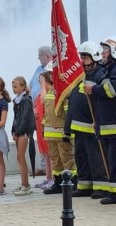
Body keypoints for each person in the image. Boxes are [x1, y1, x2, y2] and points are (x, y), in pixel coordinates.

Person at [84, 36, 116, 204]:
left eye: (105, 50)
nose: (102, 53)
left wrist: (94, 88)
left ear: (115, 51)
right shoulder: (109, 70)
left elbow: (112, 90)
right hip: (110, 126)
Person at [67, 41, 108, 199]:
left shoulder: (100, 74)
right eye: (81, 57)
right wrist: (67, 126)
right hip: (78, 125)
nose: (82, 61)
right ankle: (84, 185)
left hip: (91, 125)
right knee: (81, 157)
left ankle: (101, 186)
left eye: (85, 57)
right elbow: (73, 102)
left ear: (95, 57)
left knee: (95, 157)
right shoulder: (80, 76)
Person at [40, 67, 76, 195]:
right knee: (55, 159)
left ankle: (73, 182)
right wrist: (44, 127)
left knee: (67, 158)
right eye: (49, 73)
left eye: (52, 72)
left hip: (61, 133)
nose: (50, 75)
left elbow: (67, 113)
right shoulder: (51, 91)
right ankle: (58, 183)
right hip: (51, 133)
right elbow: (47, 113)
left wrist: (68, 131)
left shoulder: (63, 91)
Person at [29, 46, 53, 178]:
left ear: (48, 56)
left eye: (40, 55)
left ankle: (51, 174)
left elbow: (45, 99)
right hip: (36, 108)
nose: (38, 58)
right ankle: (45, 170)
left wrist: (43, 87)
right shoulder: (38, 69)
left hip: (46, 111)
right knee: (42, 143)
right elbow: (31, 85)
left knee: (48, 145)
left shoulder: (51, 69)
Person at [11, 76, 36, 196]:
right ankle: (24, 183)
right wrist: (12, 130)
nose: (13, 89)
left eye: (16, 86)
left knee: (21, 156)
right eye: (13, 86)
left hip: (24, 131)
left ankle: (26, 185)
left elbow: (26, 118)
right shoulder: (16, 100)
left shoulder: (26, 100)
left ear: (23, 87)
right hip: (18, 131)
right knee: (19, 157)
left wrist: (18, 131)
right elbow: (15, 117)